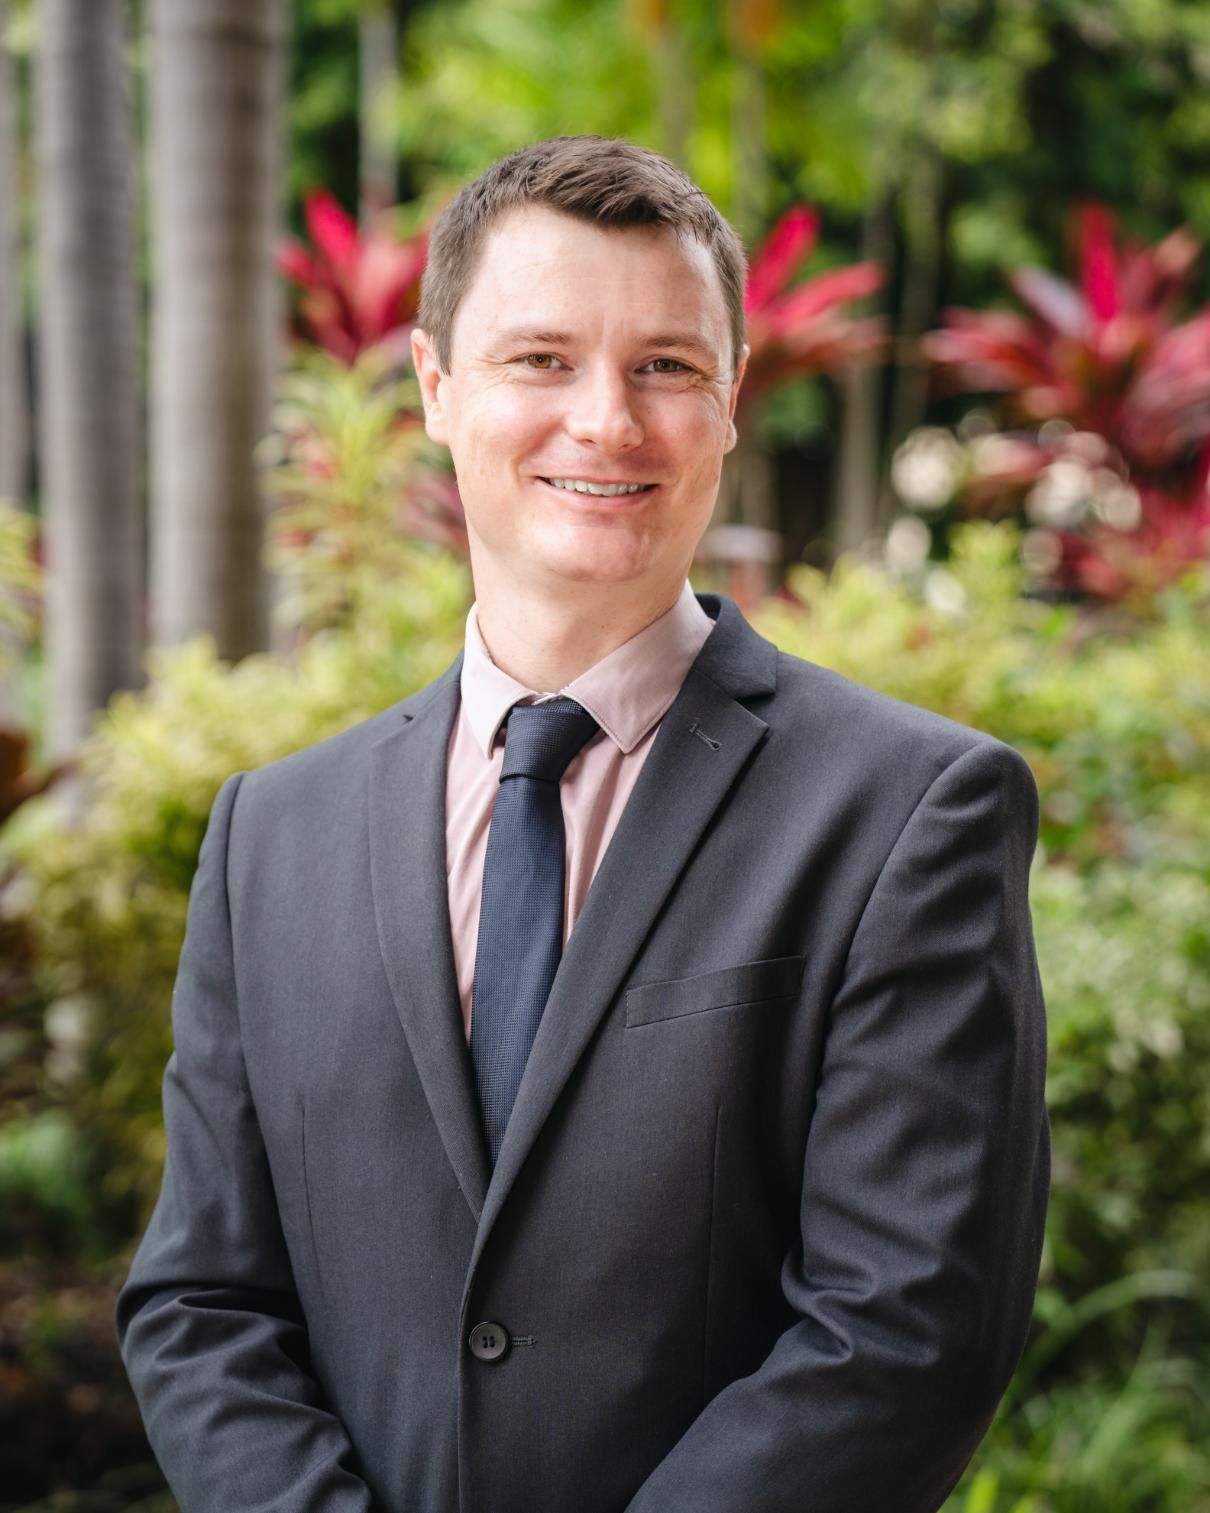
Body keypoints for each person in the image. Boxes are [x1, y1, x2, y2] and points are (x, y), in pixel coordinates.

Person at [117, 135, 1049, 1513]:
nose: (607, 419)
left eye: (666, 365)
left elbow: (904, 1326)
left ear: (730, 402)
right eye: (540, 358)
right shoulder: (272, 836)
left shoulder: (911, 811)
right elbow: (203, 1300)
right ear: (435, 388)